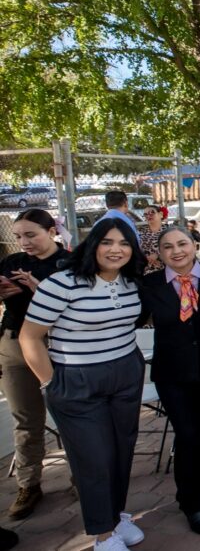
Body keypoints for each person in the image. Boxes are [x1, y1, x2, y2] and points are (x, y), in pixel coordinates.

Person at [19, 218, 147, 551]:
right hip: (75, 380)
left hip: (124, 374)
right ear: (93, 245)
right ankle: (102, 534)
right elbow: (29, 337)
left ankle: (116, 517)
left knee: (121, 451)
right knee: (94, 458)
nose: (115, 249)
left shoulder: (130, 282)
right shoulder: (61, 283)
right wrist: (49, 383)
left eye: (124, 243)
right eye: (107, 242)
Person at [137, 227, 200, 534]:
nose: (176, 251)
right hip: (172, 373)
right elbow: (134, 318)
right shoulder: (149, 284)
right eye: (167, 247)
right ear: (159, 253)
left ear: (195, 245)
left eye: (182, 244)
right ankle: (189, 502)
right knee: (188, 435)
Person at [0, 209, 68, 520]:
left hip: (57, 345)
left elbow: (70, 308)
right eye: (18, 237)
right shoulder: (12, 264)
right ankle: (29, 485)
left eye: (31, 235)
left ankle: (83, 477)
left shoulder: (70, 263)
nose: (24, 242)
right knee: (26, 420)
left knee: (70, 414)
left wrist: (35, 289)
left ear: (51, 230)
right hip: (14, 344)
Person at [139, 205, 167, 274]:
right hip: (145, 270)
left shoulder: (169, 231)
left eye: (152, 213)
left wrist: (158, 256)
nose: (148, 216)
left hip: (166, 269)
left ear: (160, 214)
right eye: (145, 214)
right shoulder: (140, 232)